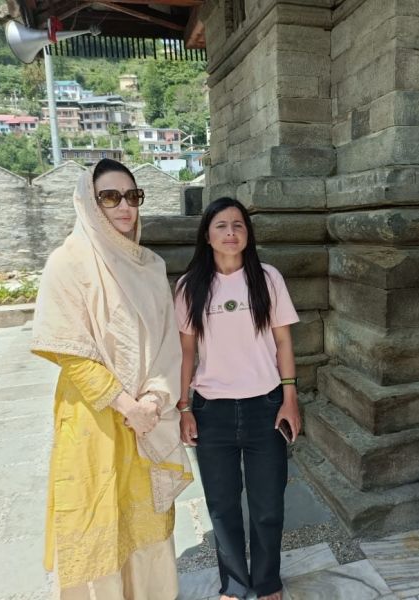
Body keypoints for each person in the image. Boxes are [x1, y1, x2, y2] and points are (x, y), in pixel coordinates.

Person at [31, 159, 193, 599]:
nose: (125, 207)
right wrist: (127, 406)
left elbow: (167, 343)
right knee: (97, 514)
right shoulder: (68, 263)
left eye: (132, 196)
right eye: (110, 197)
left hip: (147, 415)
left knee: (145, 518)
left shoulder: (150, 265)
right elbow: (71, 351)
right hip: (96, 416)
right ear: (90, 201)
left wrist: (154, 400)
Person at [175, 197, 301, 600]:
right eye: (221, 226)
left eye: (238, 225)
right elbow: (187, 352)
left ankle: (266, 580)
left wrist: (289, 397)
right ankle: (233, 582)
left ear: (248, 233)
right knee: (222, 505)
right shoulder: (190, 286)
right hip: (211, 411)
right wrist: (184, 407)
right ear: (207, 236)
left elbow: (283, 342)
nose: (231, 233)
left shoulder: (267, 278)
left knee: (268, 504)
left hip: (265, 407)